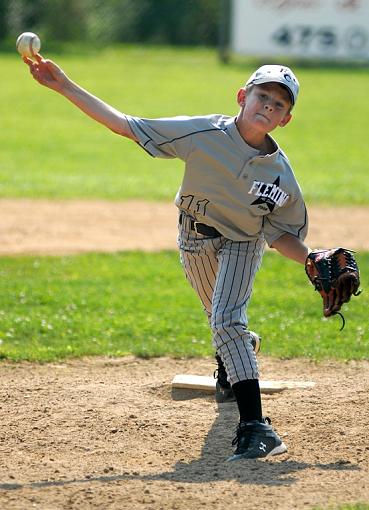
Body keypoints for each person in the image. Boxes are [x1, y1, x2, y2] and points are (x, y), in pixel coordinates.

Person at [23, 54, 310, 461]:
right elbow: (126, 125)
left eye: (279, 104)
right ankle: (237, 356)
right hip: (194, 237)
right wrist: (64, 85)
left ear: (285, 119)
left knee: (226, 319)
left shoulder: (280, 174)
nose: (268, 105)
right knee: (223, 322)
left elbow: (281, 232)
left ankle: (257, 428)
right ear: (242, 96)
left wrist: (312, 258)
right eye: (262, 95)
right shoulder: (202, 133)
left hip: (244, 243)